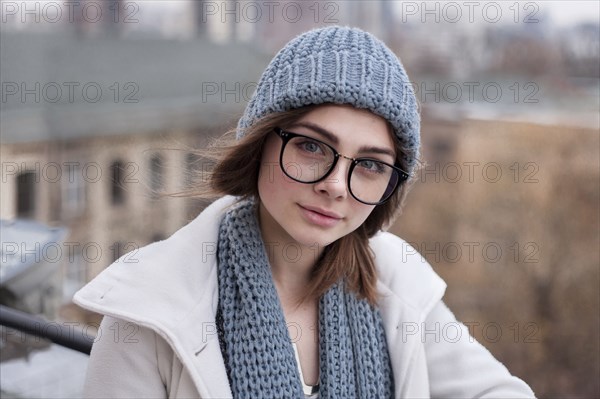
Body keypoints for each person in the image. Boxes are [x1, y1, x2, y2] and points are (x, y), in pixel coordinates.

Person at [74, 26, 535, 398]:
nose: (335, 185)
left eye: (371, 164)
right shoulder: (152, 307)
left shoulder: (396, 278)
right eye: (313, 147)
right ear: (261, 142)